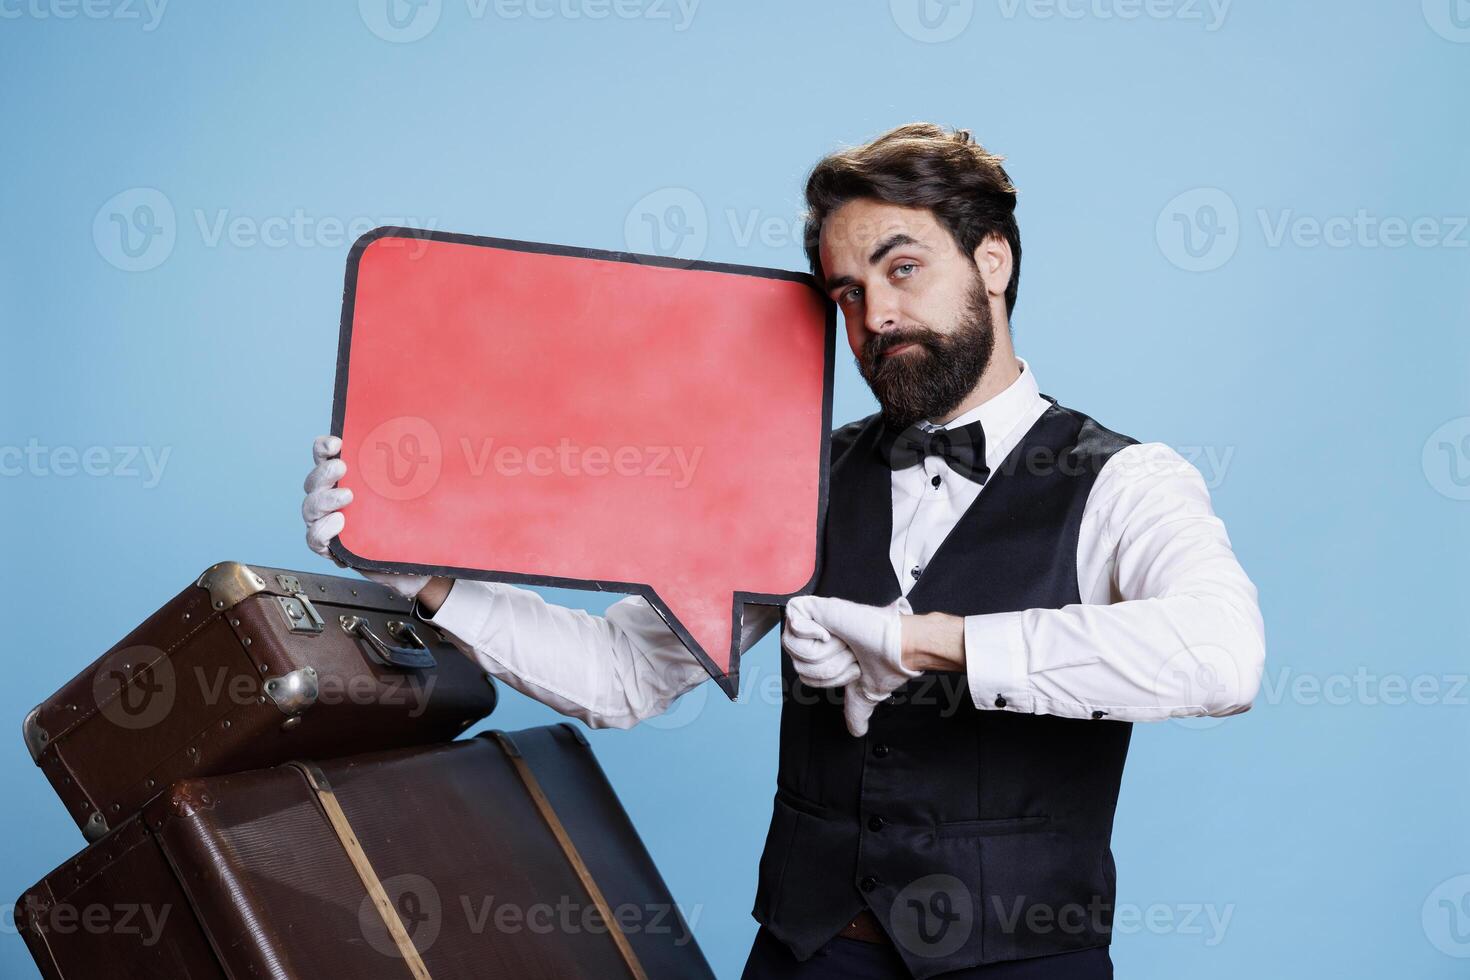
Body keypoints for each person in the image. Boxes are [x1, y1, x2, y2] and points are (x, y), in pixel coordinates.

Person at [302, 122, 1265, 979]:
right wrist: (420, 573)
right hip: (808, 955)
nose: (874, 320)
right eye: (846, 293)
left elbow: (1223, 655)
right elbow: (620, 675)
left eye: (903, 269)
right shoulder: (792, 484)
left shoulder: (1127, 481)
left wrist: (931, 643)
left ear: (994, 262)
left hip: (1025, 961)